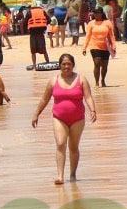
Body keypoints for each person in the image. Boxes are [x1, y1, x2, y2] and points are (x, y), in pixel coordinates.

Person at [31, 53, 97, 185]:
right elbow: (45, 98)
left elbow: (88, 96)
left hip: (77, 118)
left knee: (73, 147)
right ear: (59, 66)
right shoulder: (53, 81)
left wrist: (93, 110)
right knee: (61, 144)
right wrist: (36, 114)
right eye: (64, 64)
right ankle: (60, 176)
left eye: (69, 64)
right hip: (59, 118)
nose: (66, 66)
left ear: (73, 65)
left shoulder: (81, 79)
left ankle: (72, 174)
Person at [83, 7, 116, 87]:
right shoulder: (91, 23)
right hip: (94, 45)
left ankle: (103, 80)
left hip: (105, 46)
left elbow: (111, 35)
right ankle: (97, 82)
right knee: (97, 63)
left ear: (101, 14)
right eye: (95, 13)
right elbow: (88, 36)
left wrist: (114, 46)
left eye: (97, 13)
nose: (96, 15)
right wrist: (84, 47)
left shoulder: (107, 23)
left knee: (104, 65)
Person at [27, 1, 50, 67]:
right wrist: (44, 26)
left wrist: (28, 28)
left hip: (33, 33)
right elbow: (49, 20)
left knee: (33, 51)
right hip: (41, 32)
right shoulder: (42, 11)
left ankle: (34, 65)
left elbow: (25, 22)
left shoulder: (29, 12)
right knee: (44, 49)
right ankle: (47, 62)